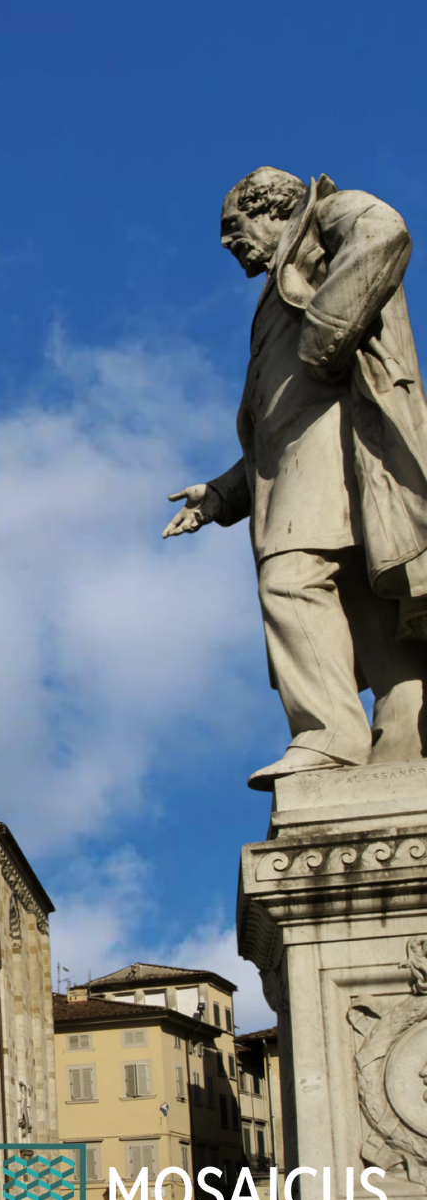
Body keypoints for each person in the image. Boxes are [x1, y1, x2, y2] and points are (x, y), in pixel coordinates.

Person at [164, 167, 427, 790]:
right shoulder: (281, 279)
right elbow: (276, 428)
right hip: (305, 461)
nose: (228, 244)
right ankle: (404, 746)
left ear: (271, 207)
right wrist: (221, 494)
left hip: (342, 445)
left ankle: (328, 735)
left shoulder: (325, 220)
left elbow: (386, 230)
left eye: (234, 227)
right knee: (368, 604)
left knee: (290, 579)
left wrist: (327, 333)